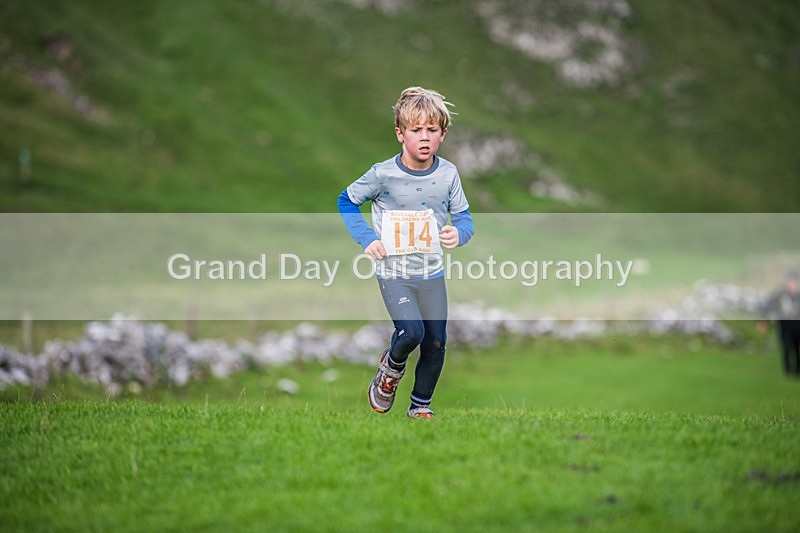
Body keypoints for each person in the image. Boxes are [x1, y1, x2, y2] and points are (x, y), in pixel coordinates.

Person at [337, 87, 474, 419]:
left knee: (436, 342)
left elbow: (465, 218)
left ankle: (420, 407)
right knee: (411, 331)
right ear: (400, 134)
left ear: (442, 134)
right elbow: (346, 201)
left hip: (432, 273)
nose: (424, 138)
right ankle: (390, 369)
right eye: (416, 130)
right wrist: (367, 238)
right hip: (393, 272)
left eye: (432, 130)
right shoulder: (383, 174)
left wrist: (459, 233)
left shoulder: (448, 174)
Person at [758, 270, 800, 377]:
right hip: (785, 327)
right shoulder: (780, 296)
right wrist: (763, 321)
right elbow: (768, 307)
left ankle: (797, 370)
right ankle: (788, 371)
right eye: (790, 281)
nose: (792, 284)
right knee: (786, 348)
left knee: (797, 349)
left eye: (794, 281)